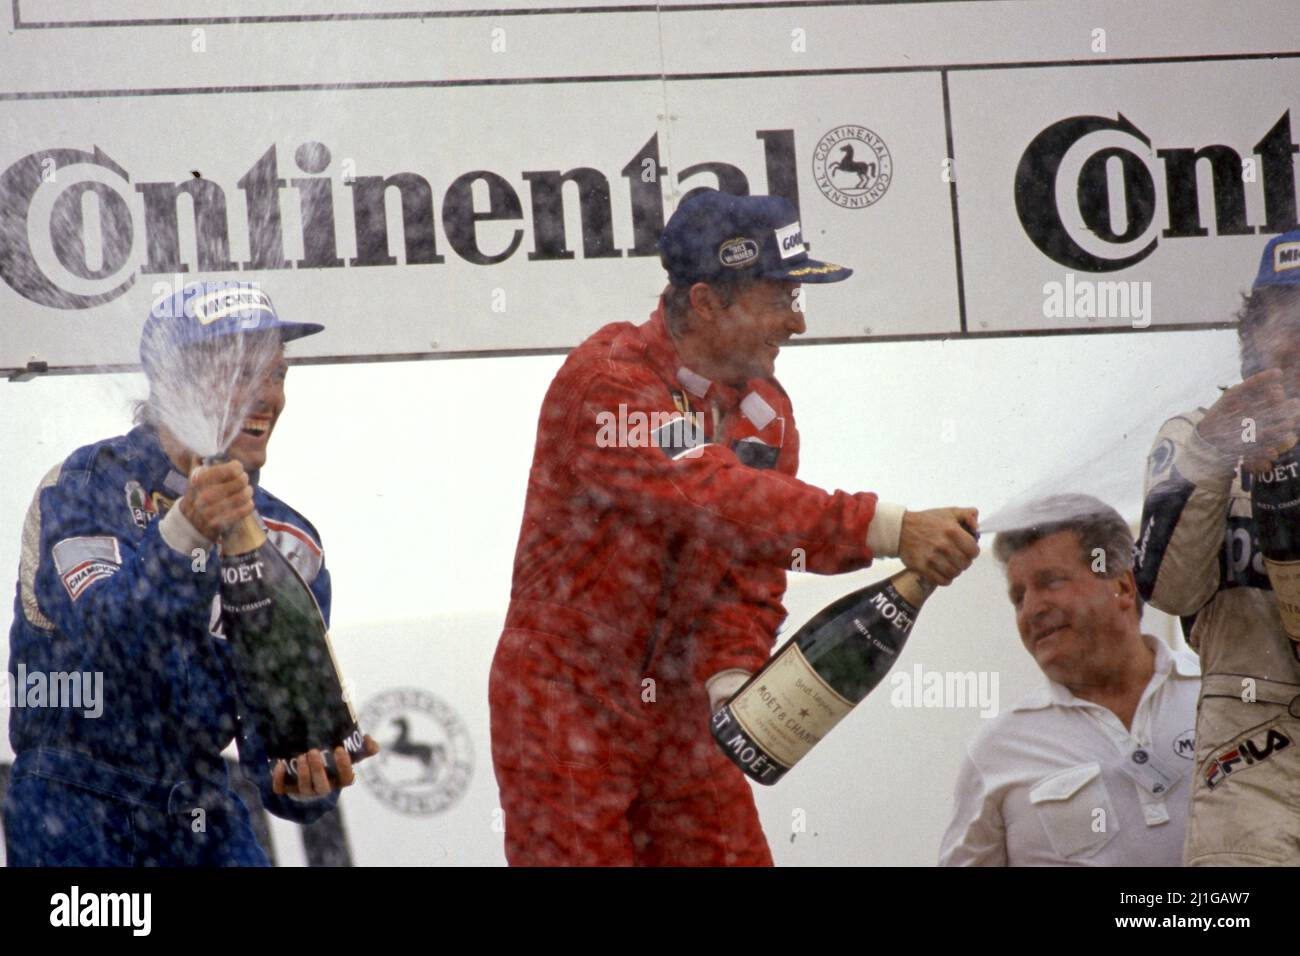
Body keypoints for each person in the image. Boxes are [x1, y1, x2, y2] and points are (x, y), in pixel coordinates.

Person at [489, 190, 980, 866]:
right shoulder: (606, 380)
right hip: (565, 702)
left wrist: (732, 680)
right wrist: (888, 527)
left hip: (684, 706)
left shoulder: (766, 413)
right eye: (781, 298)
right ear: (707, 301)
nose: (798, 323)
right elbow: (710, 494)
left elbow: (753, 567)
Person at [4, 280, 374, 867]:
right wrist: (187, 531)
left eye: (276, 374)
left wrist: (307, 777)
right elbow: (112, 640)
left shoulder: (290, 540)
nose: (266, 398)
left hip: (201, 811)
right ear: (173, 385)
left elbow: (276, 749)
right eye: (240, 373)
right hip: (74, 805)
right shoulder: (83, 485)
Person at [1136, 231, 1300, 866]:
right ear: (1250, 339)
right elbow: (1170, 588)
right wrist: (1213, 449)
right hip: (1247, 761)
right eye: (1280, 318)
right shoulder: (1196, 438)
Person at [939, 495, 1200, 866]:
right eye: (1018, 597)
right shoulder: (997, 750)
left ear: (1123, 587)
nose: (1031, 610)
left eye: (1051, 582)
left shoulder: (1222, 698)